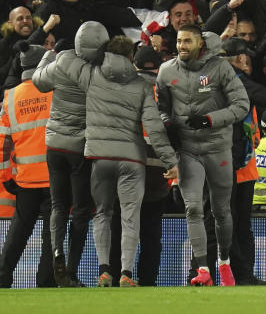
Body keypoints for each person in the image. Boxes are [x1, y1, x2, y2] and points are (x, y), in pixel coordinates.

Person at [55, 35, 178, 287]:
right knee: (130, 218)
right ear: (131, 58)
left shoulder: (92, 76)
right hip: (132, 159)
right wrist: (169, 160)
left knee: (103, 214)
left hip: (101, 158)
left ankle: (104, 270)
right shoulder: (142, 86)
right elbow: (154, 128)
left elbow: (66, 62)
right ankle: (127, 274)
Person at [155, 26, 250, 286]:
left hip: (218, 148)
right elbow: (161, 107)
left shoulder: (220, 68)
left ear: (200, 44)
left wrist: (209, 120)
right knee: (193, 208)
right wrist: (166, 122)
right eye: (179, 41)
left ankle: (224, 262)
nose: (182, 45)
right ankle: (203, 270)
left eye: (187, 41)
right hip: (187, 150)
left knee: (221, 212)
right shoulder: (166, 71)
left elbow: (242, 105)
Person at [31, 21, 108, 287]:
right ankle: (72, 271)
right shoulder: (100, 71)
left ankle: (57, 253)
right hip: (80, 148)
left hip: (54, 145)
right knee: (82, 209)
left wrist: (47, 55)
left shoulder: (61, 61)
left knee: (58, 205)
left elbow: (38, 81)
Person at [0, 45, 55, 289]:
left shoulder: (10, 97)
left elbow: (2, 144)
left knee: (18, 233)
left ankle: (2, 277)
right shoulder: (56, 91)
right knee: (51, 237)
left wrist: (5, 177)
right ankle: (45, 283)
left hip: (24, 180)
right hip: (55, 178)